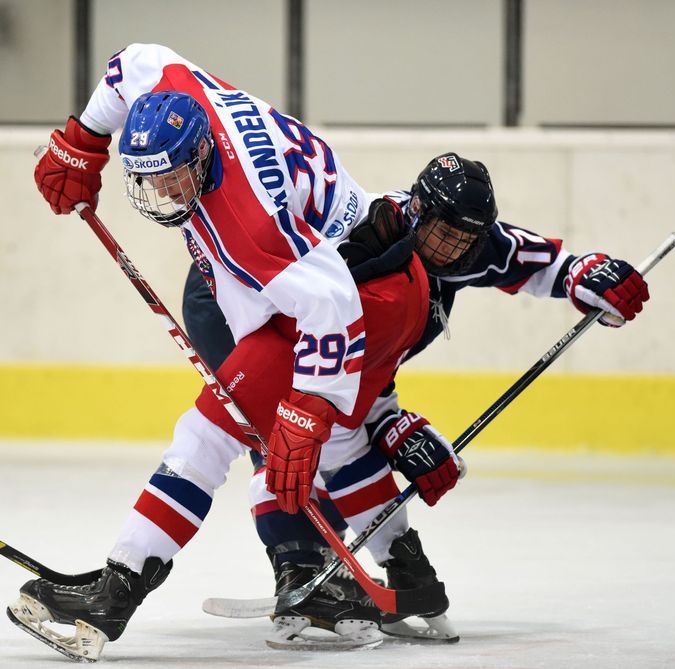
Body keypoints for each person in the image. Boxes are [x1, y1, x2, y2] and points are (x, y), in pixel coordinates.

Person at [10, 43, 465, 660]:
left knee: (209, 433)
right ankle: (412, 577)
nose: (165, 192)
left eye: (175, 175)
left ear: (201, 155)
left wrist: (306, 405)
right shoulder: (176, 94)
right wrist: (84, 139)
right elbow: (134, 60)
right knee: (341, 440)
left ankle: (116, 594)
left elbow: (328, 304)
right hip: (387, 277)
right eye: (150, 178)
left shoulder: (248, 225)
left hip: (361, 298)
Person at [182, 150, 650, 640]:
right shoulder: (366, 244)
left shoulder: (465, 241)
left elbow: (533, 261)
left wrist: (586, 276)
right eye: (443, 233)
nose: (451, 249)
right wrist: (387, 425)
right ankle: (299, 568)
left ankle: (335, 559)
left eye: (464, 237)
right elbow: (330, 351)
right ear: (416, 211)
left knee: (338, 440)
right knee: (284, 438)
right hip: (235, 300)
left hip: (331, 341)